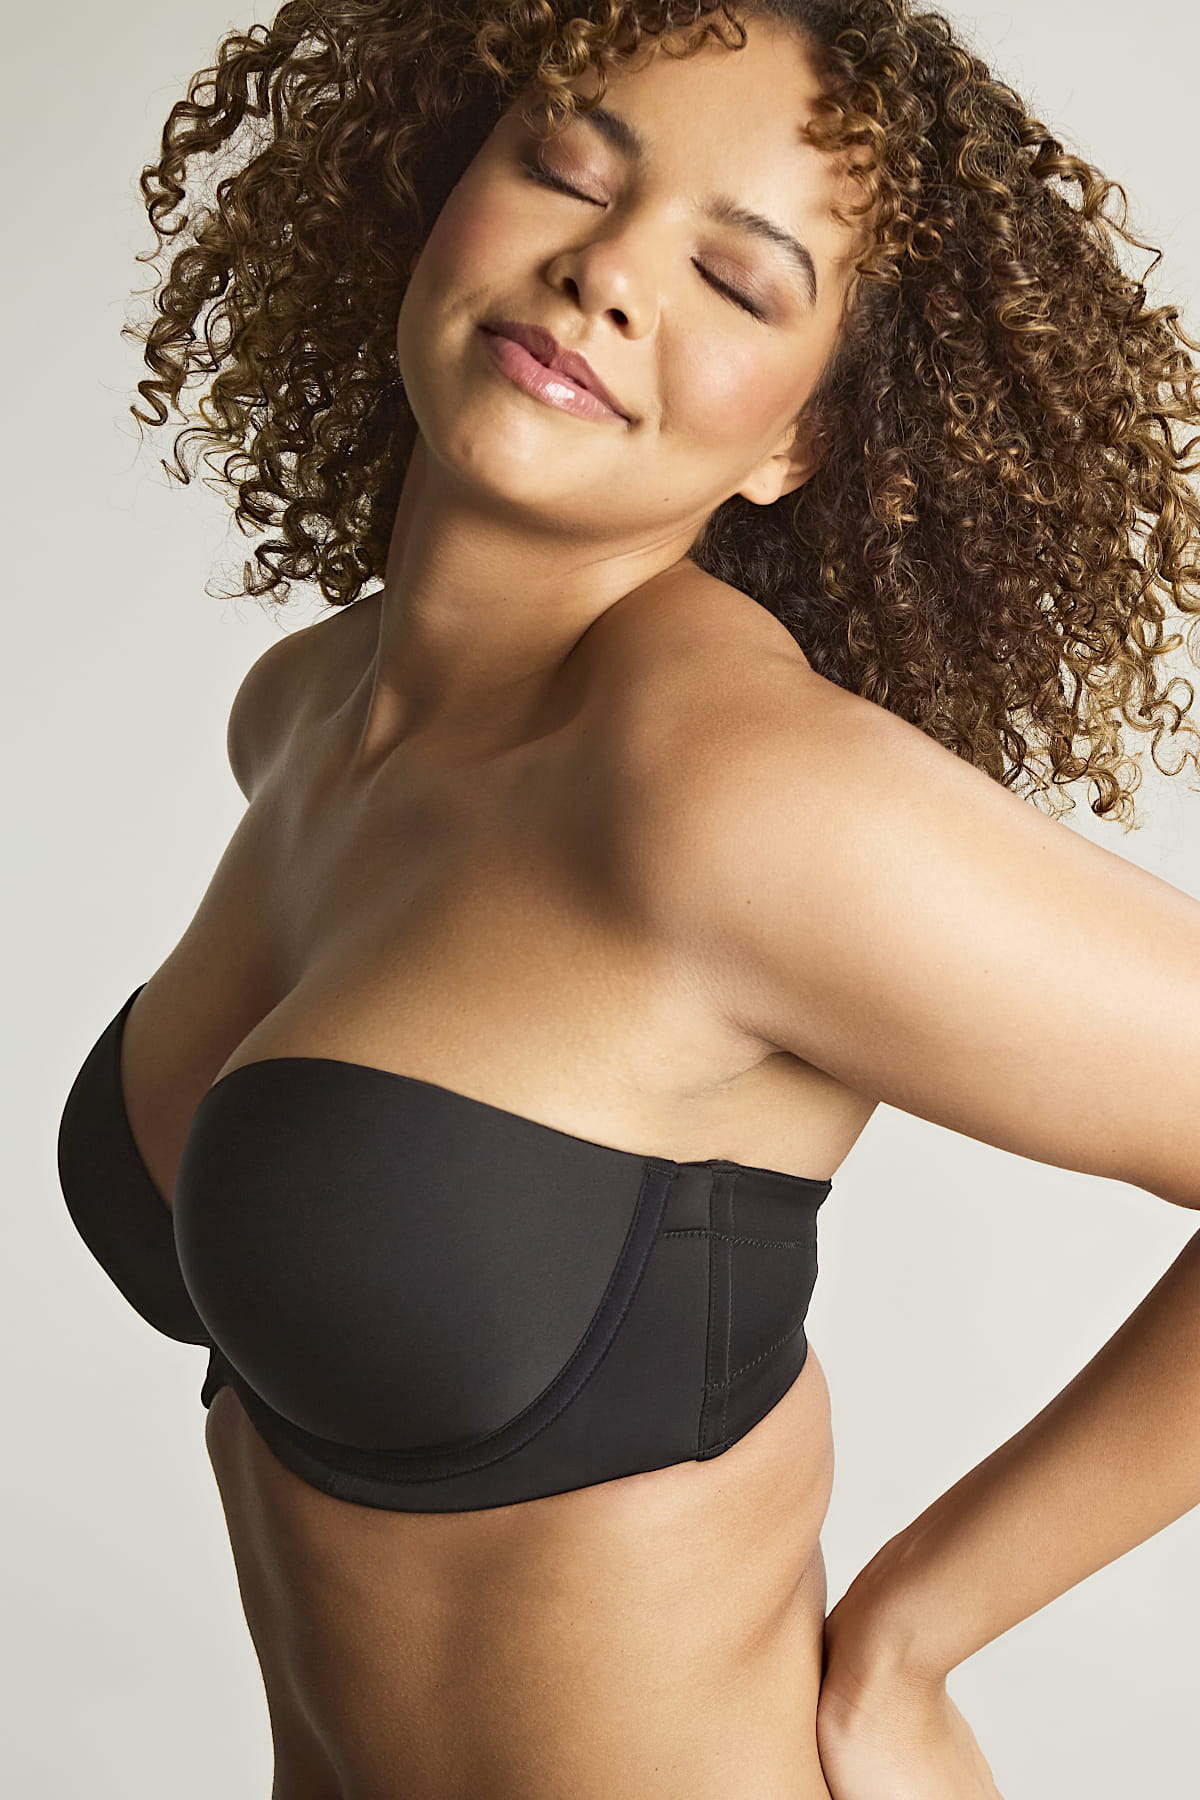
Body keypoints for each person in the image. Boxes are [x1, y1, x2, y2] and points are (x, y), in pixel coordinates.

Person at [56, 2, 1200, 1796]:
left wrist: (914, 1640)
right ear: (439, 198)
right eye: (569, 171)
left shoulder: (727, 795)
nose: (607, 275)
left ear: (798, 445)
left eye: (737, 282)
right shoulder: (303, 710)